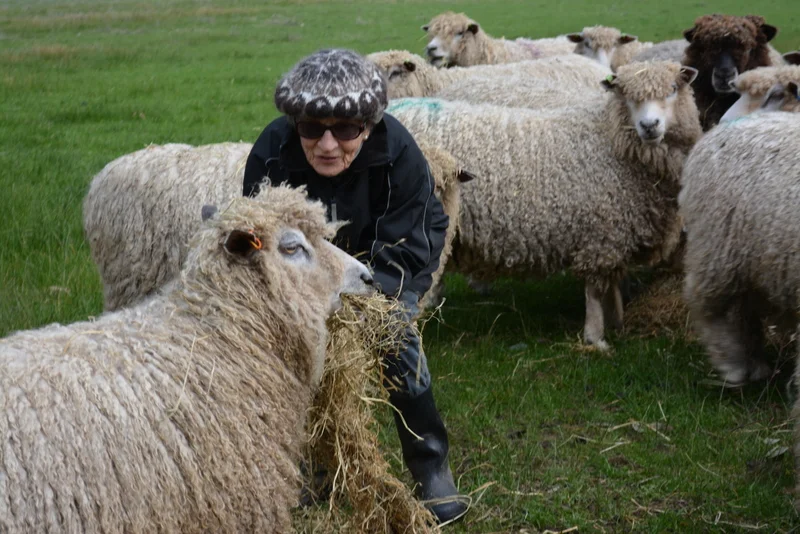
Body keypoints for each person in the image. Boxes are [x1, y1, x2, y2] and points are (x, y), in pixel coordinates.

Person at [242, 48, 469, 524]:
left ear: (367, 125)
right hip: (308, 270)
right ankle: (313, 465)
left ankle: (431, 466)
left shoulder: (399, 155)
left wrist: (366, 299)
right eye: (311, 128)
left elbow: (410, 241)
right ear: (294, 124)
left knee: (398, 344)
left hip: (384, 258)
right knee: (292, 353)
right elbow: (261, 235)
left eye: (344, 130)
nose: (327, 144)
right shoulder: (271, 153)